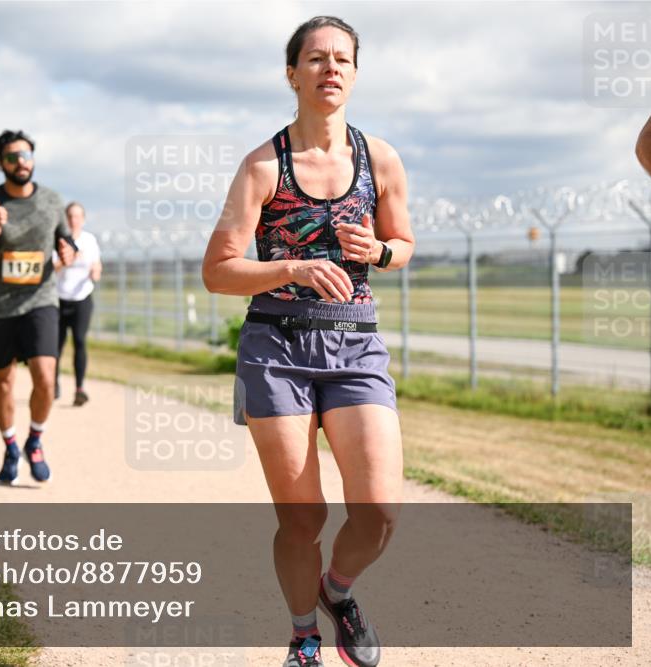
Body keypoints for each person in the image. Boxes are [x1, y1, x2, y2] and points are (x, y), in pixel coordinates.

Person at [201, 16, 415, 667]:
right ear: (291, 73)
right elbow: (218, 270)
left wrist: (378, 249)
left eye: (342, 59)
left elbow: (402, 245)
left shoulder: (379, 159)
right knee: (303, 517)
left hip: (356, 348)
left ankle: (337, 591)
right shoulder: (264, 166)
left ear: (354, 73)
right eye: (316, 58)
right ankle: (303, 636)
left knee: (379, 510)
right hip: (277, 349)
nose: (330, 69)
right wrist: (291, 268)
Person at [0, 129, 77, 484]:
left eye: (26, 155)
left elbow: (65, 238)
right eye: (12, 157)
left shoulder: (51, 200)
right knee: (3, 383)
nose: (21, 162)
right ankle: (11, 445)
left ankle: (36, 440)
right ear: (1, 164)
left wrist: (68, 249)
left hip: (40, 300)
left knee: (45, 378)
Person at [54, 201, 102, 406]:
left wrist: (95, 272)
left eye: (77, 216)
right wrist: (67, 260)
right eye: (70, 216)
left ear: (83, 219)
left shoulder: (89, 240)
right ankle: (53, 382)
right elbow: (51, 269)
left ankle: (79, 388)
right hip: (59, 298)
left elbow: (97, 265)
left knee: (80, 341)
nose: (74, 220)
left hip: (82, 297)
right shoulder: (59, 241)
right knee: (56, 345)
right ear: (66, 219)